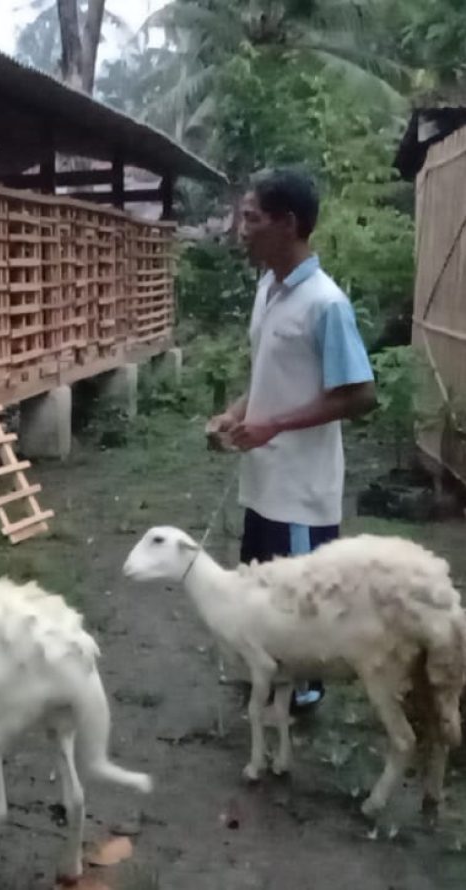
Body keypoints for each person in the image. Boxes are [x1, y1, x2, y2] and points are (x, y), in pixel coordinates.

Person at [208, 168, 376, 713]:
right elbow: (268, 375)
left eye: (251, 218)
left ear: (287, 223)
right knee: (261, 592)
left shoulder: (326, 304)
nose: (241, 229)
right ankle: (271, 676)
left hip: (301, 491)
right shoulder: (268, 289)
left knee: (302, 600)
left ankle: (304, 692)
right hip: (263, 479)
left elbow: (359, 394)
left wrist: (275, 426)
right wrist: (234, 415)